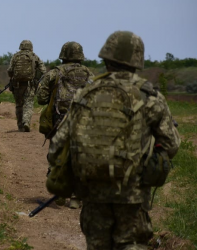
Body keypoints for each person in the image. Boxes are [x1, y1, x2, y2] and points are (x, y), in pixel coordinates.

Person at [47, 31, 180, 249]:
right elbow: (172, 145)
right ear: (137, 61)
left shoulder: (86, 94)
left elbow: (58, 145)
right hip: (133, 194)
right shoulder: (151, 97)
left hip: (92, 192)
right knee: (131, 243)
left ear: (106, 58)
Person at [36, 41, 95, 209]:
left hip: (59, 120)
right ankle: (76, 198)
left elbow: (41, 97)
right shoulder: (89, 74)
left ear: (63, 55)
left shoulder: (55, 73)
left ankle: (60, 195)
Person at [7, 40, 46, 131]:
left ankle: (20, 126)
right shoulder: (34, 56)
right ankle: (26, 122)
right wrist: (38, 78)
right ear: (31, 47)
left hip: (17, 84)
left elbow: (9, 70)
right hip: (30, 84)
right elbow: (43, 70)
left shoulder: (15, 56)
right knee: (28, 104)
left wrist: (13, 77)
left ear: (20, 46)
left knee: (19, 105)